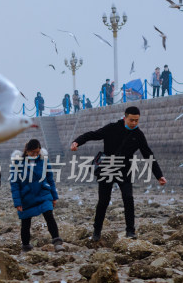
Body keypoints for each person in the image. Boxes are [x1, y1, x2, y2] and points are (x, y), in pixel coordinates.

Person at [71, 106, 167, 240]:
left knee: (128, 199)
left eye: (136, 120)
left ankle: (130, 231)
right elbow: (93, 134)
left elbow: (148, 155)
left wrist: (159, 175)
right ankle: (96, 232)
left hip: (124, 170)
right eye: (131, 120)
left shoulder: (138, 135)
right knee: (104, 201)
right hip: (107, 169)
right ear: (125, 117)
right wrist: (77, 142)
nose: (134, 123)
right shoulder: (112, 128)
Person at [10, 139, 64, 253]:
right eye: (32, 152)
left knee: (49, 215)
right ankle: (25, 246)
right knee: (25, 223)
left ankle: (57, 242)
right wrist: (17, 202)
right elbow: (14, 184)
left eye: (37, 152)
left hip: (43, 194)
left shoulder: (43, 160)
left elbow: (50, 179)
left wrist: (54, 196)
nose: (35, 155)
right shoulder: (17, 163)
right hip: (26, 197)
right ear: (27, 151)